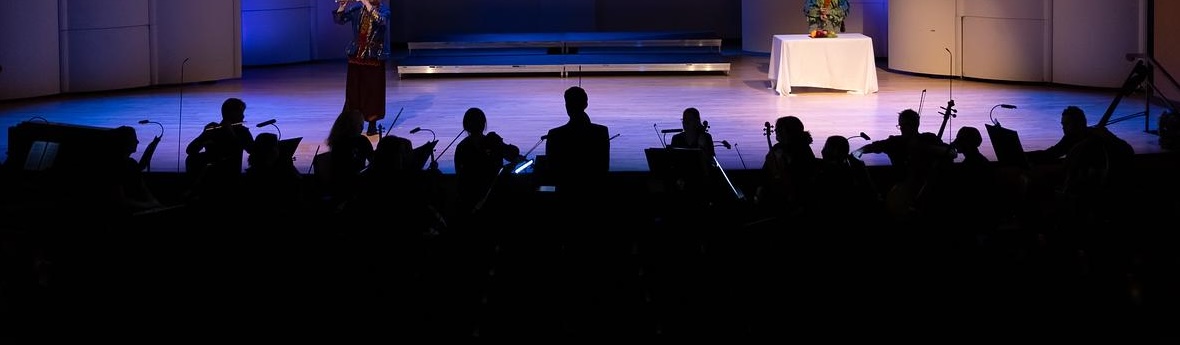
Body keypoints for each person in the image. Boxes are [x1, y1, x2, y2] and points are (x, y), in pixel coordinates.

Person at [333, 0, 392, 136]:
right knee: (354, 90)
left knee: (373, 90)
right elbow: (340, 20)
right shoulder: (357, 9)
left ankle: (372, 123)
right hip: (356, 54)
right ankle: (352, 122)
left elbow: (380, 21)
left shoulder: (384, 11)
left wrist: (367, 4)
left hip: (374, 55)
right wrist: (342, 6)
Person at [454, 107, 522, 216]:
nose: (479, 124)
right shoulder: (463, 147)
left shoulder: (463, 146)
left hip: (482, 197)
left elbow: (460, 176)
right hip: (483, 197)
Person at [185, 97, 255, 204]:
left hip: (230, 176)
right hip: (211, 176)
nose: (243, 116)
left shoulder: (242, 131)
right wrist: (204, 136)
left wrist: (232, 134)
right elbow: (190, 150)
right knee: (192, 160)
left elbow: (253, 151)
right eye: (240, 112)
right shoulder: (213, 128)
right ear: (230, 113)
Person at [544, 86, 611, 196]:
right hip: (594, 190)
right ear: (586, 104)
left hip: (565, 191)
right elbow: (603, 168)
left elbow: (551, 169)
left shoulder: (555, 134)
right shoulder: (601, 131)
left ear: (567, 106)